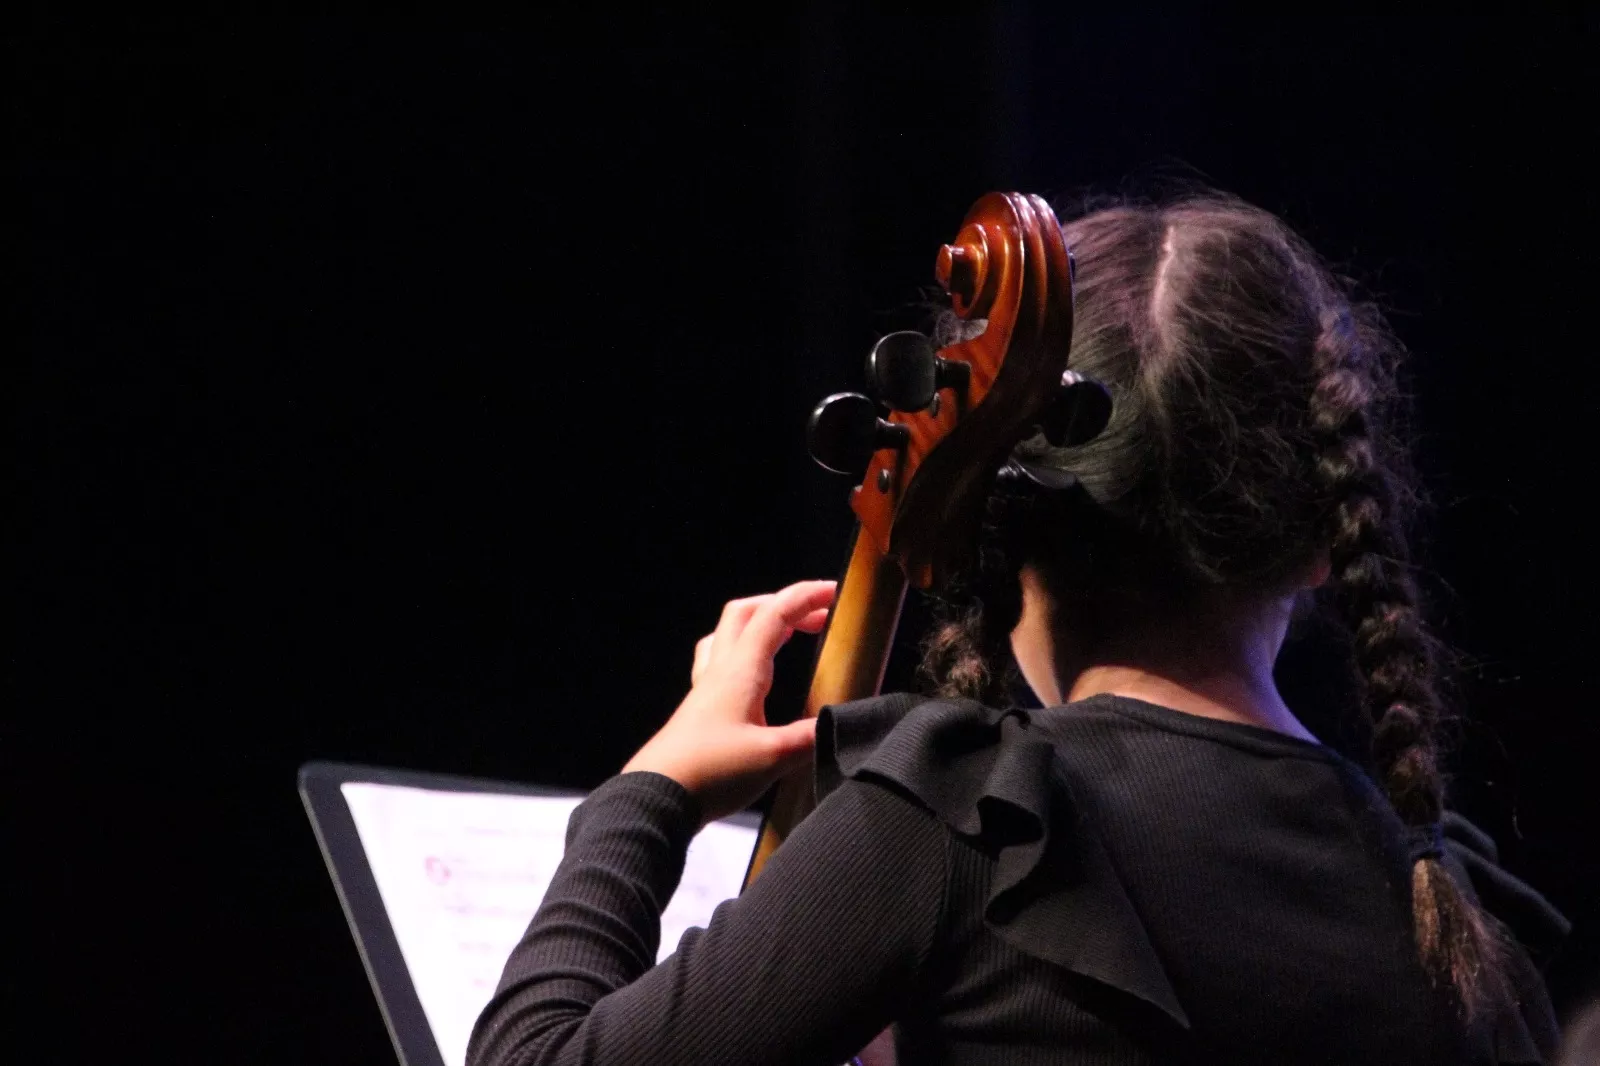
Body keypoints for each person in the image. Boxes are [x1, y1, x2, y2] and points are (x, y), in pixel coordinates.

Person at [467, 194, 1568, 1065]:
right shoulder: (1452, 922)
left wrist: (647, 794)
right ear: (1326, 537)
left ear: (995, 504)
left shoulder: (965, 830)